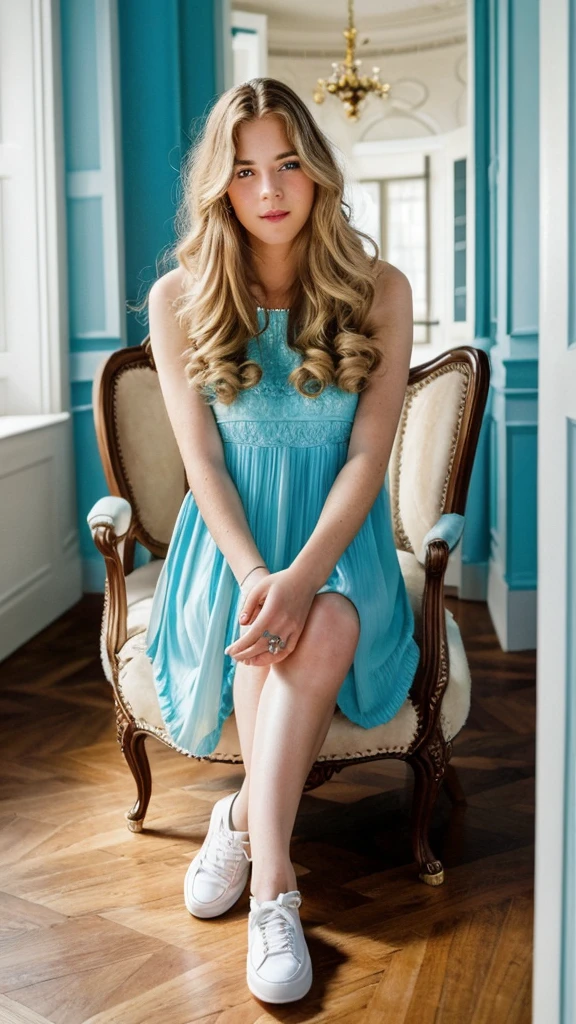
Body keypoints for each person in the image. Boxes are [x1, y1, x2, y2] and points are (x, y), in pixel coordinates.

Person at [145, 77, 420, 1005]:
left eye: (289, 164)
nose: (270, 191)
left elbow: (368, 459)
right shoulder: (178, 296)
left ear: (318, 173)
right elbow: (204, 467)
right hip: (230, 550)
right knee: (281, 617)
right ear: (220, 184)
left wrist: (304, 573)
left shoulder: (379, 288)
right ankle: (278, 885)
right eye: (247, 171)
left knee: (324, 613)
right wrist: (265, 572)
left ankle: (251, 844)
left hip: (342, 539)